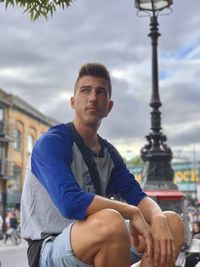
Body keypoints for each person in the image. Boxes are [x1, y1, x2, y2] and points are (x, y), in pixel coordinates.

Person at [21, 63, 185, 267]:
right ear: (73, 102)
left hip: (95, 234)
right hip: (48, 247)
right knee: (111, 222)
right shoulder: (53, 141)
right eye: (85, 90)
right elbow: (70, 202)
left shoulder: (109, 153)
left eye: (100, 92)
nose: (92, 97)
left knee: (173, 223)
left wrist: (159, 217)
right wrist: (132, 212)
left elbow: (137, 195)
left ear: (109, 107)